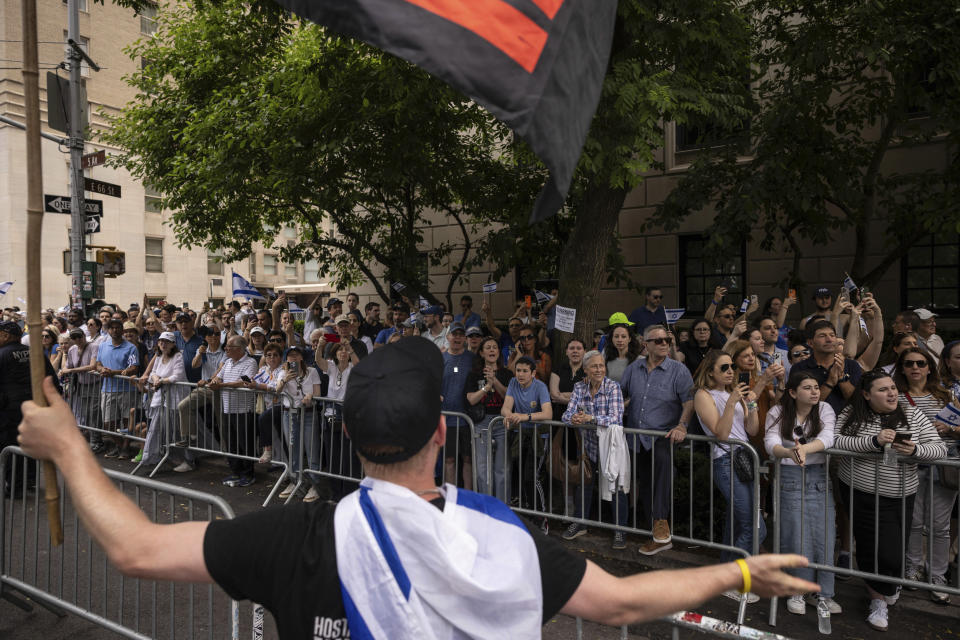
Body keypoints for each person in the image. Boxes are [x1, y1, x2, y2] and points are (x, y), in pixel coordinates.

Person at [18, 340, 821, 638]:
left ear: (345, 438)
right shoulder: (503, 539)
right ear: (444, 434)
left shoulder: (296, 534)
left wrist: (69, 445)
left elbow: (133, 547)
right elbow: (618, 603)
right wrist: (733, 571)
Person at [833, 369, 947, 631]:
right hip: (859, 490)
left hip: (900, 493)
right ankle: (878, 601)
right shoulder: (853, 413)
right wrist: (872, 441)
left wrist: (915, 450)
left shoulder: (912, 413)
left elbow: (938, 447)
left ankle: (887, 584)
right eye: (883, 389)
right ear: (866, 394)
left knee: (893, 552)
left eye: (893, 388)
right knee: (869, 547)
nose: (892, 393)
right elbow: (836, 441)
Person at [764, 371, 841, 617]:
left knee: (824, 535)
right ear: (793, 392)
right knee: (795, 534)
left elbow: (828, 438)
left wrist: (803, 449)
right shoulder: (778, 412)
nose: (814, 391)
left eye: (816, 387)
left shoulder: (825, 409)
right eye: (807, 388)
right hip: (789, 476)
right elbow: (770, 441)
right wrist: (789, 454)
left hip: (819, 476)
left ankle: (823, 593)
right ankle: (796, 590)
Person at [693, 350, 766, 602]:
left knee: (737, 524)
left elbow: (752, 429)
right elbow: (721, 434)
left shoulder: (734, 393)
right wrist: (732, 402)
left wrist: (752, 403)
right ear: (710, 371)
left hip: (745, 460)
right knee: (753, 527)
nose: (730, 371)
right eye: (724, 367)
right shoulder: (704, 395)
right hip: (725, 461)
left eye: (732, 366)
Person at [620, 325, 694, 555]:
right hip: (636, 437)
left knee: (662, 474)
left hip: (663, 434)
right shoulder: (633, 369)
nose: (664, 344)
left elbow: (689, 401)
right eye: (659, 340)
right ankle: (654, 530)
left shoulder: (678, 370)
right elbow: (622, 396)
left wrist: (682, 425)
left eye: (667, 340)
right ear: (646, 344)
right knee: (645, 482)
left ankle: (661, 525)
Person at [892, 347, 959, 603]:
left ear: (929, 367)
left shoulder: (946, 394)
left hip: (945, 465)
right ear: (903, 368)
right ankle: (913, 567)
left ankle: (938, 574)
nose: (915, 368)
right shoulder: (895, 396)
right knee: (914, 521)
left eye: (921, 363)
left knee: (940, 526)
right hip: (910, 464)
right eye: (909, 364)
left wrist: (950, 428)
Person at [560, 350, 629, 549]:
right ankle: (580, 523)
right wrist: (573, 418)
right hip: (588, 446)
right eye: (594, 366)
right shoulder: (579, 388)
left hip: (611, 448)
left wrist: (591, 419)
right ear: (585, 369)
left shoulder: (613, 387)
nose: (599, 369)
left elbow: (616, 418)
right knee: (584, 485)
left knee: (616, 488)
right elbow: (567, 414)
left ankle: (620, 530)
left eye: (601, 366)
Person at [0, 321, 56, 494]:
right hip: (34, 407)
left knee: (10, 446)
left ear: (6, 336)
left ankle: (15, 486)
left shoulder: (2, 354)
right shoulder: (36, 352)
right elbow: (52, 380)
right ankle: (29, 479)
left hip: (10, 410)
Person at [502, 356, 553, 508]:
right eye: (518, 370)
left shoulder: (540, 386)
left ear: (533, 373)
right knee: (520, 476)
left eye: (525, 371)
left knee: (532, 478)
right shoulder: (513, 383)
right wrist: (509, 416)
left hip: (539, 437)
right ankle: (528, 512)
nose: (521, 374)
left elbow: (548, 414)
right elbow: (505, 408)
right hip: (520, 435)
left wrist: (525, 417)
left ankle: (541, 516)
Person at [208, 335, 259, 488]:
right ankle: (236, 472)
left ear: (239, 349)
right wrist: (216, 380)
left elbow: (244, 382)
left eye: (229, 347)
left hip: (244, 409)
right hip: (227, 407)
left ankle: (248, 474)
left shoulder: (250, 362)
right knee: (231, 443)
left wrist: (222, 385)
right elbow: (218, 377)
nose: (226, 349)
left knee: (245, 443)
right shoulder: (228, 362)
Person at [466, 337, 513, 499]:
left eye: (495, 347)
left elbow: (509, 395)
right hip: (481, 423)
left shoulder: (507, 373)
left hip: (502, 421)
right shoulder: (474, 374)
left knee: (502, 467)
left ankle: (502, 505)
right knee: (482, 467)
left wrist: (495, 381)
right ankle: (486, 504)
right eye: (488, 347)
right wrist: (487, 387)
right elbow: (471, 399)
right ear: (481, 353)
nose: (492, 350)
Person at [276, 346, 323, 503]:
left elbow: (318, 394)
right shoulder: (283, 373)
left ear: (302, 357)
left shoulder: (312, 372)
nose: (293, 358)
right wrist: (285, 380)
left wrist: (310, 395)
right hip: (289, 414)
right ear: (286, 359)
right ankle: (297, 483)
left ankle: (315, 485)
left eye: (296, 355)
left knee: (312, 451)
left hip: (309, 414)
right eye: (290, 356)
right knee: (293, 451)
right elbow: (276, 391)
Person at [792, 320, 862, 416]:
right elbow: (803, 405)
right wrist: (829, 382)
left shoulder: (852, 365)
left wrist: (841, 377)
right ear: (810, 343)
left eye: (832, 335)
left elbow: (857, 401)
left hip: (847, 425)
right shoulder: (800, 368)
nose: (829, 340)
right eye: (822, 336)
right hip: (814, 424)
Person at [137, 332, 187, 465]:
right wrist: (155, 378)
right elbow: (153, 372)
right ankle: (153, 455)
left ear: (172, 344)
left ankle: (184, 458)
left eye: (166, 342)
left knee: (175, 429)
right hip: (161, 396)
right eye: (160, 342)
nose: (163, 344)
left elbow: (178, 376)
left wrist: (162, 381)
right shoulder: (158, 356)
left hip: (175, 397)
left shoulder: (177, 356)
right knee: (157, 427)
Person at [95, 319, 141, 458]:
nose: (114, 330)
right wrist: (101, 369)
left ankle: (125, 448)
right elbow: (97, 364)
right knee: (108, 423)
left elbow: (134, 368)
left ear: (122, 330)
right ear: (108, 330)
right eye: (112, 328)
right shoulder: (103, 346)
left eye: (117, 328)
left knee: (128, 422)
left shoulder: (131, 347)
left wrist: (113, 372)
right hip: (107, 389)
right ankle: (120, 446)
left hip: (127, 389)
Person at [440, 322, 475, 489]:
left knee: (468, 459)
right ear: (448, 337)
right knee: (449, 460)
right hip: (447, 419)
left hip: (468, 419)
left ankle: (467, 497)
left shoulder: (472, 358)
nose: (458, 337)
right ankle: (450, 498)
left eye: (461, 334)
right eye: (455, 334)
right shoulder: (440, 358)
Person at [60, 328, 100, 430]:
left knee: (94, 412)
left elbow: (92, 366)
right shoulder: (72, 349)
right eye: (74, 338)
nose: (77, 339)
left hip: (95, 383)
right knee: (85, 412)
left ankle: (95, 439)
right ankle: (88, 434)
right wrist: (65, 368)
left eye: (79, 337)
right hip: (81, 385)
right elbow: (66, 367)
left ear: (84, 336)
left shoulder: (93, 346)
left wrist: (72, 371)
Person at [253, 343, 286, 467]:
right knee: (277, 436)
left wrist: (259, 386)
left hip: (282, 405)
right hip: (268, 405)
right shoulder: (263, 369)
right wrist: (251, 384)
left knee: (264, 419)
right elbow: (255, 381)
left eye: (275, 355)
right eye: (269, 355)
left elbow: (276, 387)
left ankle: (268, 450)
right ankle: (279, 464)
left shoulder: (283, 370)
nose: (272, 358)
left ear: (280, 357)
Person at [549, 339, 587, 419]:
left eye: (579, 348)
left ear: (585, 352)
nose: (575, 351)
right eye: (572, 348)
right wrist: (577, 400)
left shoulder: (588, 371)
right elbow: (554, 395)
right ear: (566, 352)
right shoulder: (558, 368)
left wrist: (562, 396)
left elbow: (587, 397)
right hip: (558, 414)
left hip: (580, 416)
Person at [602, 319, 640, 384]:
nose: (619, 340)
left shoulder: (640, 360)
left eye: (623, 336)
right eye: (616, 336)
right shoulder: (607, 359)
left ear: (629, 339)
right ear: (612, 339)